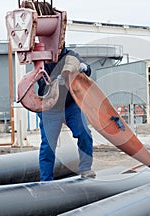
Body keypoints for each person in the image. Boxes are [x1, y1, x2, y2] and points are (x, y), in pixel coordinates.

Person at [37, 46, 96, 181]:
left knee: (84, 133)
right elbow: (40, 80)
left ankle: (85, 169)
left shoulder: (70, 55)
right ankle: (46, 181)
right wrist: (54, 81)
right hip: (49, 108)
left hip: (70, 105)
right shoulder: (42, 60)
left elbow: (88, 69)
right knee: (48, 145)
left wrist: (84, 67)